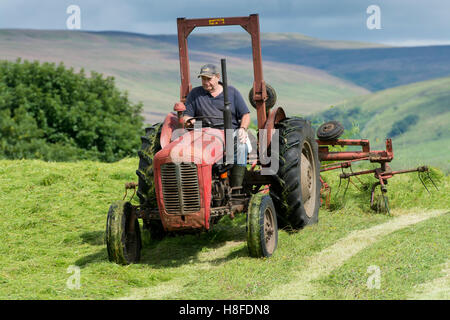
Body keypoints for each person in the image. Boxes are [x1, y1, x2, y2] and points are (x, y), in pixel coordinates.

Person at [183, 63, 250, 189]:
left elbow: (245, 115)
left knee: (241, 146)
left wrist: (242, 129)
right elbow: (187, 115)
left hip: (230, 132)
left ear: (218, 77)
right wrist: (190, 121)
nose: (206, 82)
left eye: (209, 79)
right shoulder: (195, 94)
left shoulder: (232, 92)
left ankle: (236, 188)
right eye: (203, 79)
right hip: (204, 133)